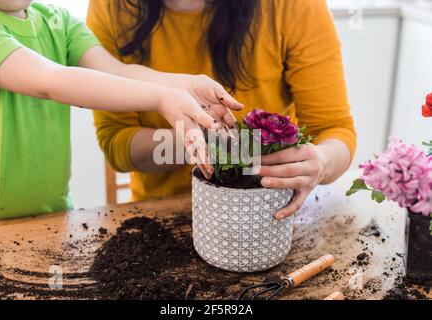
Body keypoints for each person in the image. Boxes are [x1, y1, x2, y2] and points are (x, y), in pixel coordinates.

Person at [87, 0, 357, 220]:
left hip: (269, 213)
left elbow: (335, 130)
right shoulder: (111, 8)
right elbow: (117, 144)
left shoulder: (295, 7)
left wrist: (320, 162)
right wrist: (212, 145)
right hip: (163, 216)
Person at [0, 0, 242, 221]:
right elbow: (51, 80)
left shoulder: (57, 21)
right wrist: (163, 97)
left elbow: (116, 72)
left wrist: (187, 84)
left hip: (53, 216)